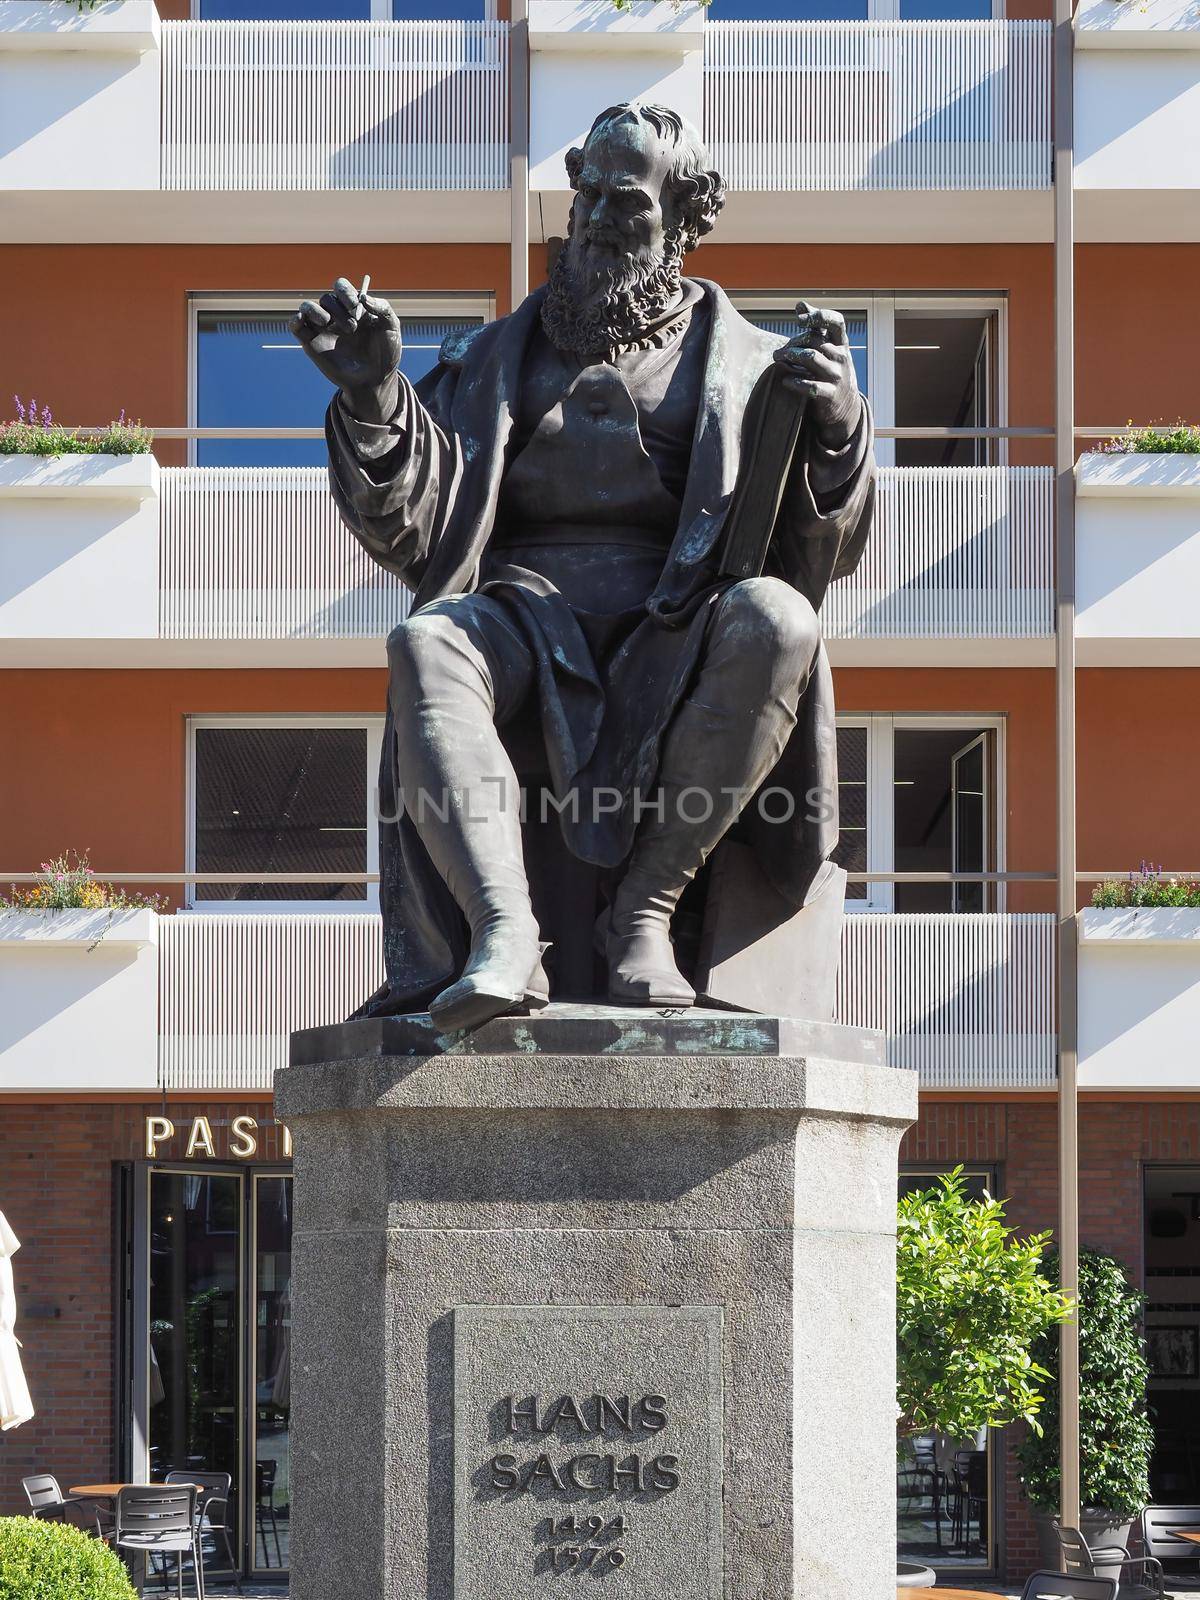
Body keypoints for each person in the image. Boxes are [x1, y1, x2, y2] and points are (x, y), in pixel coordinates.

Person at [291, 102, 874, 1030]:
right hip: (524, 615)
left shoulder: (760, 366)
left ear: (683, 220)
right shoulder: (490, 358)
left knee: (781, 621)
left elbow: (823, 552)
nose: (598, 217)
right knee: (426, 640)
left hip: (682, 617)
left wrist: (840, 426)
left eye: (628, 200)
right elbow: (418, 532)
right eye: (587, 193)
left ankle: (645, 912)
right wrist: (373, 396)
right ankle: (503, 931)